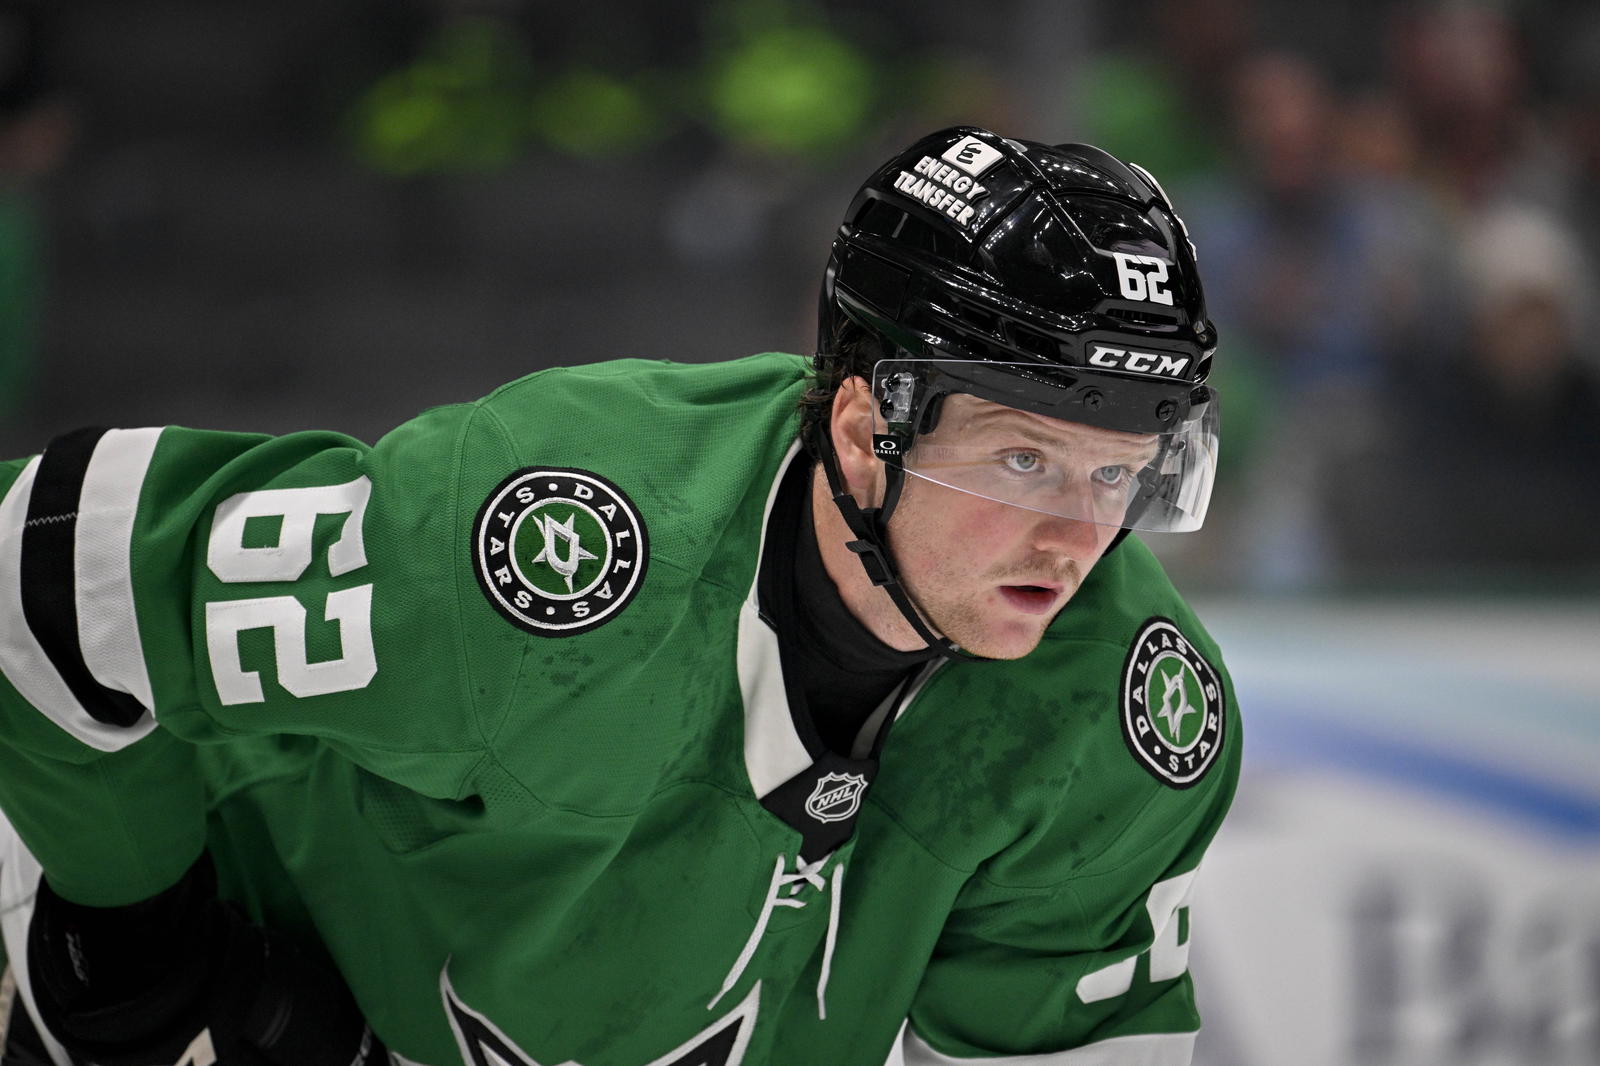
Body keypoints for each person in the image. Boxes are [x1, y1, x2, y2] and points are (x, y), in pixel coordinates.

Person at [0, 127, 1239, 1066]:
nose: (1078, 535)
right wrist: (132, 946)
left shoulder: (1126, 722)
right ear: (866, 430)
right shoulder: (563, 552)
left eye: (1123, 471)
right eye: (1022, 456)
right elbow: (48, 569)